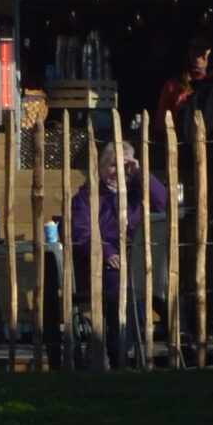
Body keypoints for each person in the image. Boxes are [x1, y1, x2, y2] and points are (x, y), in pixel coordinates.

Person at [68, 148, 167, 366]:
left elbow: (164, 204)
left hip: (139, 265)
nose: (117, 171)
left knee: (165, 285)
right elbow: (80, 232)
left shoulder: (137, 196)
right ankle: (120, 348)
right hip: (102, 266)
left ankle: (175, 343)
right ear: (101, 167)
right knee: (118, 283)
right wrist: (106, 252)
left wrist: (140, 173)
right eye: (112, 165)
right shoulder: (86, 198)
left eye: (124, 165)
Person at [154, 38, 213, 120]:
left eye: (203, 48)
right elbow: (161, 122)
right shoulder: (172, 85)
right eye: (194, 48)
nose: (198, 54)